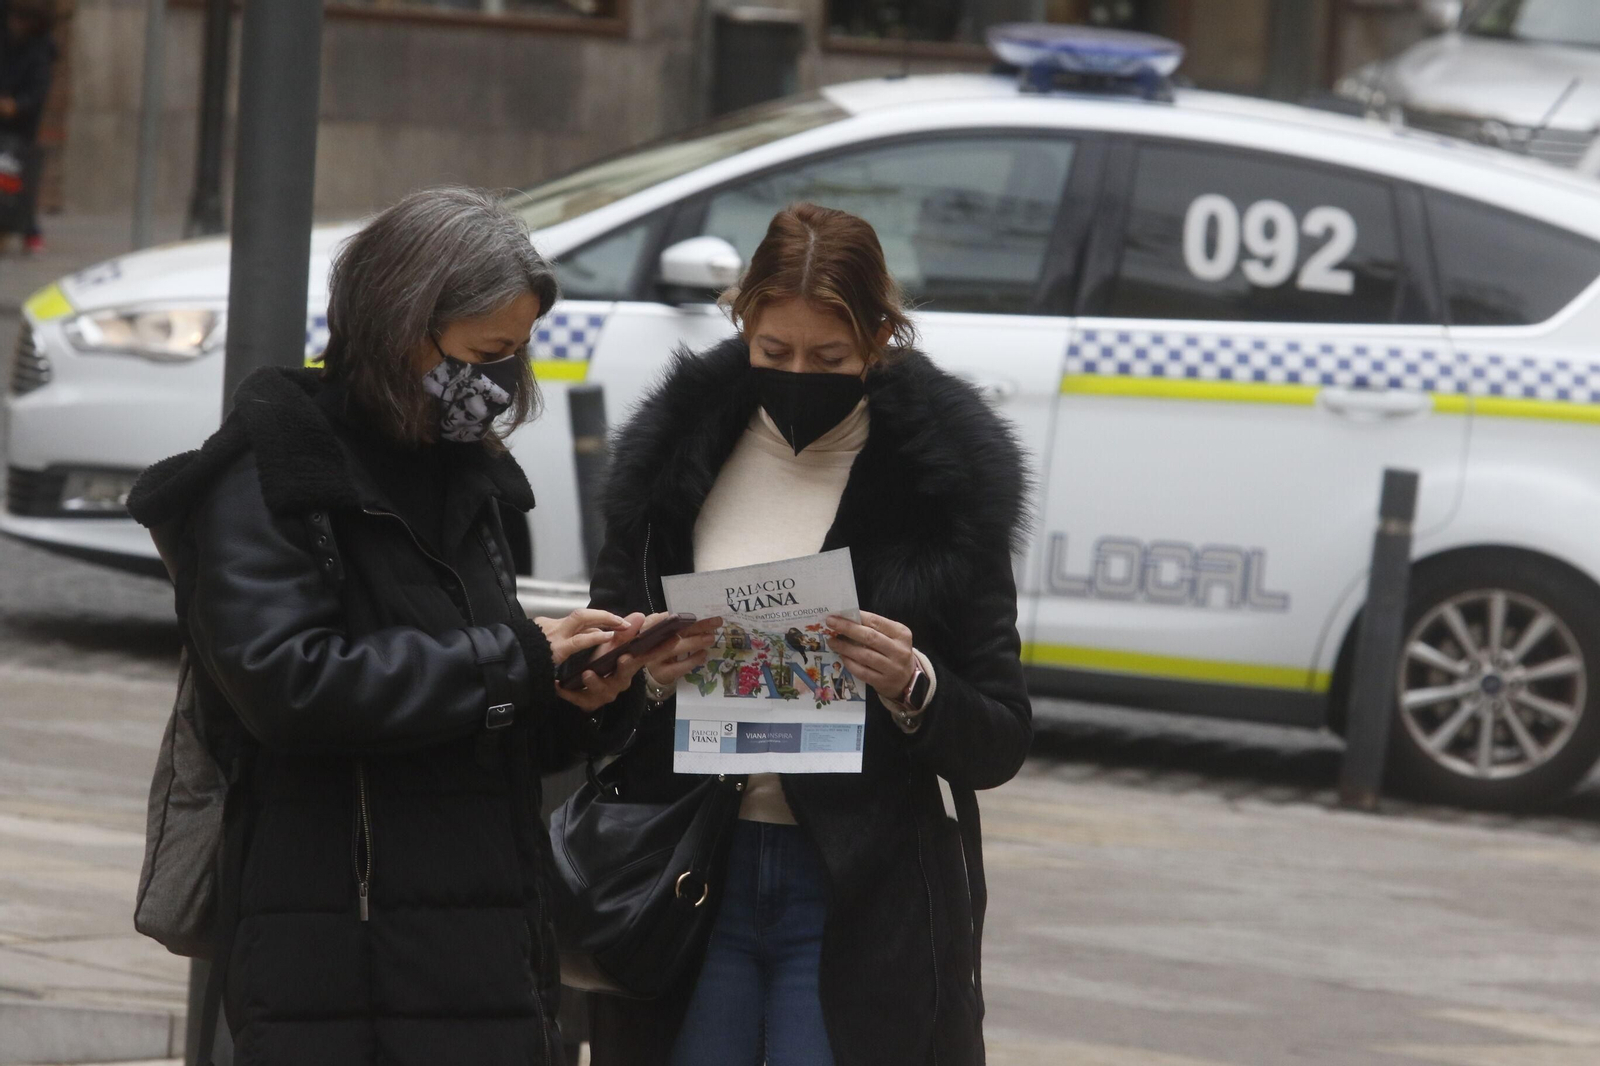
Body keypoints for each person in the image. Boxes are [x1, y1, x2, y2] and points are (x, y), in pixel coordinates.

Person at [126, 187, 696, 1065]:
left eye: (516, 353)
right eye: (485, 352)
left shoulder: (469, 473)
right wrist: (514, 660)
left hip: (487, 936)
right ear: (401, 328)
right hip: (335, 937)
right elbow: (289, 688)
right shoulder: (271, 472)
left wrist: (579, 693)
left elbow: (482, 714)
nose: (500, 381)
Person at [584, 202, 1033, 1065]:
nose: (798, 375)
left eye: (829, 358)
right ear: (742, 324)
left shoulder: (945, 485)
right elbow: (593, 693)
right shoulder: (670, 463)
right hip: (686, 869)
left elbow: (1001, 736)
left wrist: (914, 685)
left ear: (879, 338)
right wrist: (643, 672)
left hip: (859, 894)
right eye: (773, 353)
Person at [0, 0, 58, 254]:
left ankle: (27, 230)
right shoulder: (7, 34)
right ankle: (24, 229)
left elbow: (37, 89)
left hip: (21, 125)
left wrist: (17, 104)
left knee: (15, 175)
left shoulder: (40, 48)